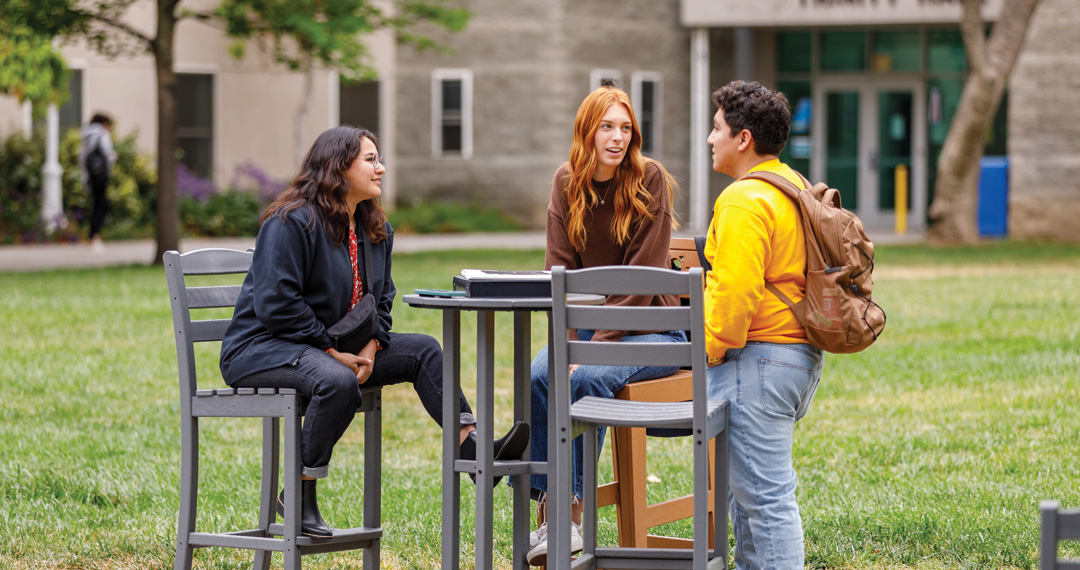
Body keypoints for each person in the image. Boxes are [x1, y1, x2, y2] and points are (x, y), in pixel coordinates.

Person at [219, 126, 529, 539]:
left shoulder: (373, 228)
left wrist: (371, 343)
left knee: (424, 350)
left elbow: (382, 298)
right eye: (370, 160)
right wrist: (333, 353)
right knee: (336, 381)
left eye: (379, 159)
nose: (381, 168)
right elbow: (277, 303)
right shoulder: (290, 221)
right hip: (262, 349)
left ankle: (471, 450)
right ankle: (297, 493)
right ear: (337, 166)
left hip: (333, 349)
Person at [524, 85, 685, 566]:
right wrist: (571, 346)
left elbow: (641, 280)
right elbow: (561, 277)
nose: (617, 138)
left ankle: (564, 516)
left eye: (625, 128)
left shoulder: (648, 179)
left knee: (588, 379)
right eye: (607, 127)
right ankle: (554, 514)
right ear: (587, 132)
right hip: (591, 333)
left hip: (656, 329)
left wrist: (587, 354)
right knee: (540, 374)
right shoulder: (565, 182)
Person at [702, 80, 825, 569]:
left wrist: (708, 352)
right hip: (797, 359)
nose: (711, 139)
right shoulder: (791, 184)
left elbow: (735, 296)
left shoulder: (743, 200)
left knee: (766, 502)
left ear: (743, 138)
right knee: (749, 501)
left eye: (717, 129)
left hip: (755, 360)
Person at [79, 113, 116, 253]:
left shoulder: (86, 136)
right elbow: (108, 155)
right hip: (101, 176)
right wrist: (114, 157)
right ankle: (95, 237)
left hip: (91, 176)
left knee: (96, 205)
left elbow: (82, 158)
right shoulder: (102, 135)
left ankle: (93, 237)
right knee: (102, 206)